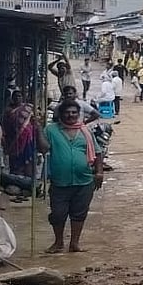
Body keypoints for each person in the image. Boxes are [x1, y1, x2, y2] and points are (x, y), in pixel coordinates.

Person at [37, 100, 104, 253]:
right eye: (67, 112)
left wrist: (99, 172)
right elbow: (43, 149)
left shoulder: (85, 131)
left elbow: (98, 153)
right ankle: (58, 242)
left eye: (74, 112)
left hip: (84, 181)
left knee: (79, 213)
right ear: (61, 114)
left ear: (78, 114)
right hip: (60, 181)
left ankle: (74, 243)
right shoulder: (51, 130)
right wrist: (38, 129)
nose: (71, 115)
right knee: (58, 214)